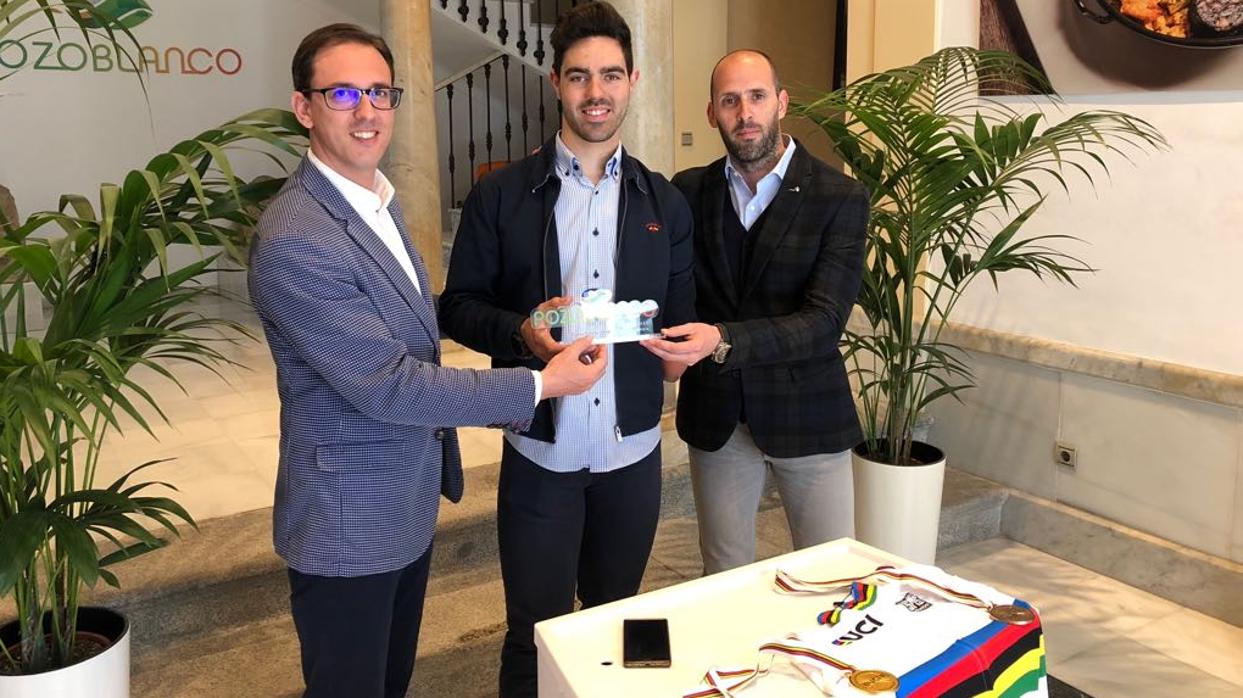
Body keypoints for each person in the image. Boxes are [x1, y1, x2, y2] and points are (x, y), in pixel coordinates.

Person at [247, 23, 606, 698]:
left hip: (399, 499)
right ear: (304, 107)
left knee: (392, 681)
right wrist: (539, 383)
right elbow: (389, 385)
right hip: (348, 517)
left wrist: (522, 332)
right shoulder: (297, 237)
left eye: (380, 92)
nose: (367, 111)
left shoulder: (374, 201)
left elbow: (413, 321)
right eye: (344, 92)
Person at [436, 3, 695, 695]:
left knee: (618, 629)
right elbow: (457, 307)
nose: (595, 92)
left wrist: (681, 351)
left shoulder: (664, 204)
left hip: (631, 455)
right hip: (540, 453)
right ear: (555, 82)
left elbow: (677, 321)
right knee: (535, 636)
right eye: (579, 76)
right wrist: (521, 330)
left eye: (610, 74)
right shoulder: (500, 196)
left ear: (632, 79)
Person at [641, 49, 870, 575]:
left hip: (808, 416)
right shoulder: (688, 191)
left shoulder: (840, 196)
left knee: (832, 575)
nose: (745, 113)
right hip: (718, 418)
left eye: (757, 96)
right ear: (711, 113)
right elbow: (669, 286)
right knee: (723, 573)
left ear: (782, 103)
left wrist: (721, 339)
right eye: (729, 100)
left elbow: (825, 321)